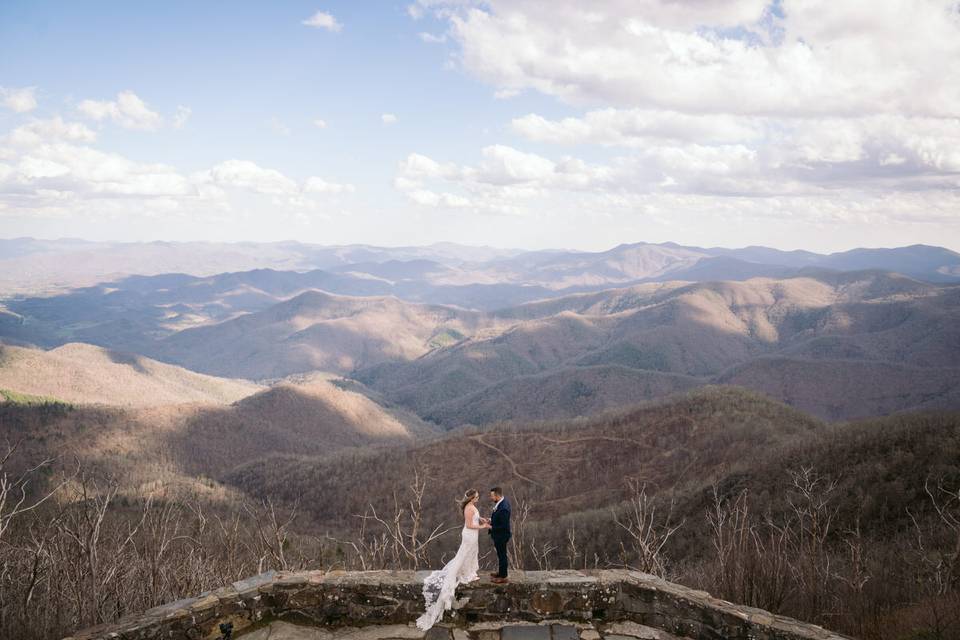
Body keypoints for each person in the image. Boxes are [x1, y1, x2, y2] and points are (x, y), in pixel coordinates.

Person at [416, 489, 491, 631]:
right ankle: (465, 573)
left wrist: (482, 519)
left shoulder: (471, 507)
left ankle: (469, 571)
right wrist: (483, 526)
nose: (478, 498)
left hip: (473, 535)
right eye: (476, 497)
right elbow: (469, 525)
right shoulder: (469, 508)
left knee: (471, 554)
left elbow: (474, 518)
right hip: (470, 534)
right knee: (464, 554)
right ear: (471, 499)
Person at [487, 487, 511, 583]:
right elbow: (499, 519)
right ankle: (501, 572)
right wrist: (491, 520)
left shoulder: (504, 508)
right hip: (499, 535)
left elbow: (504, 526)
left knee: (502, 555)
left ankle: (503, 576)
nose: (491, 497)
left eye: (492, 496)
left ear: (497, 495)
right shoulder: (501, 503)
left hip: (501, 536)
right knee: (500, 555)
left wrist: (491, 527)